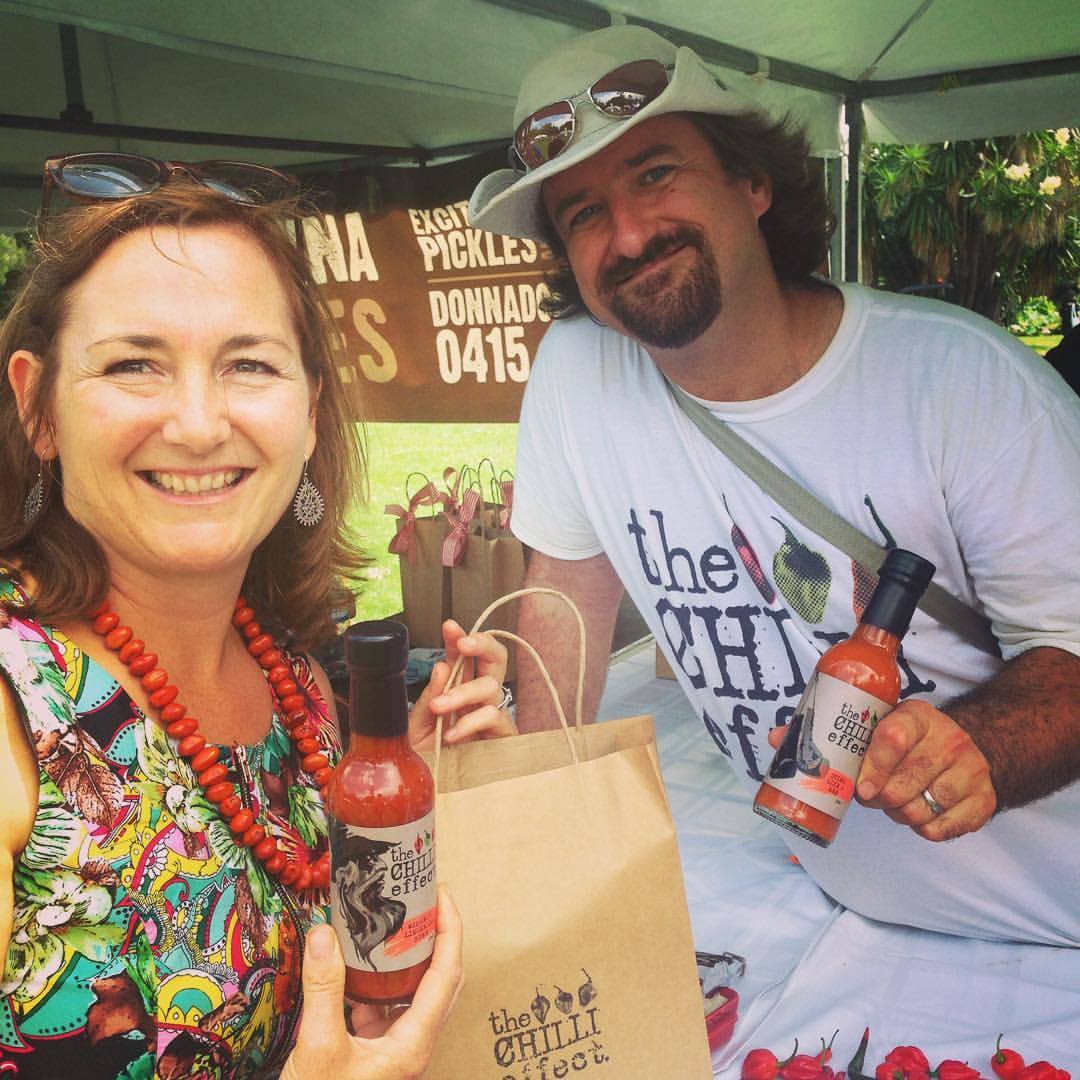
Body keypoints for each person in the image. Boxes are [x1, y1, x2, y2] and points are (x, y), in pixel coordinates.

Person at [469, 26, 1080, 946]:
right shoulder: (576, 371)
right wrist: (530, 805)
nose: (628, 234)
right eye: (583, 213)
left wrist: (983, 743)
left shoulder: (963, 380)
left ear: (752, 182)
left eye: (655, 173)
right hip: (852, 919)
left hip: (1051, 933)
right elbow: (566, 589)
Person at [0, 157, 513, 1078]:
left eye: (248, 364)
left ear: (309, 412)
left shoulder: (299, 684)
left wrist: (397, 783)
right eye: (133, 364)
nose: (200, 425)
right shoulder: (15, 721)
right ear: (38, 406)